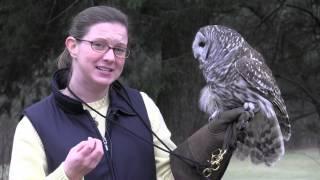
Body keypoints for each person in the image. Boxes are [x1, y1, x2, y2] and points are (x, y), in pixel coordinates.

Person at [9, 5, 249, 180]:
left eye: (119, 49)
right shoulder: (34, 125)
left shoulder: (141, 105)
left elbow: (169, 177)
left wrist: (212, 138)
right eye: (99, 44)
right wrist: (67, 174)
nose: (110, 57)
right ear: (72, 46)